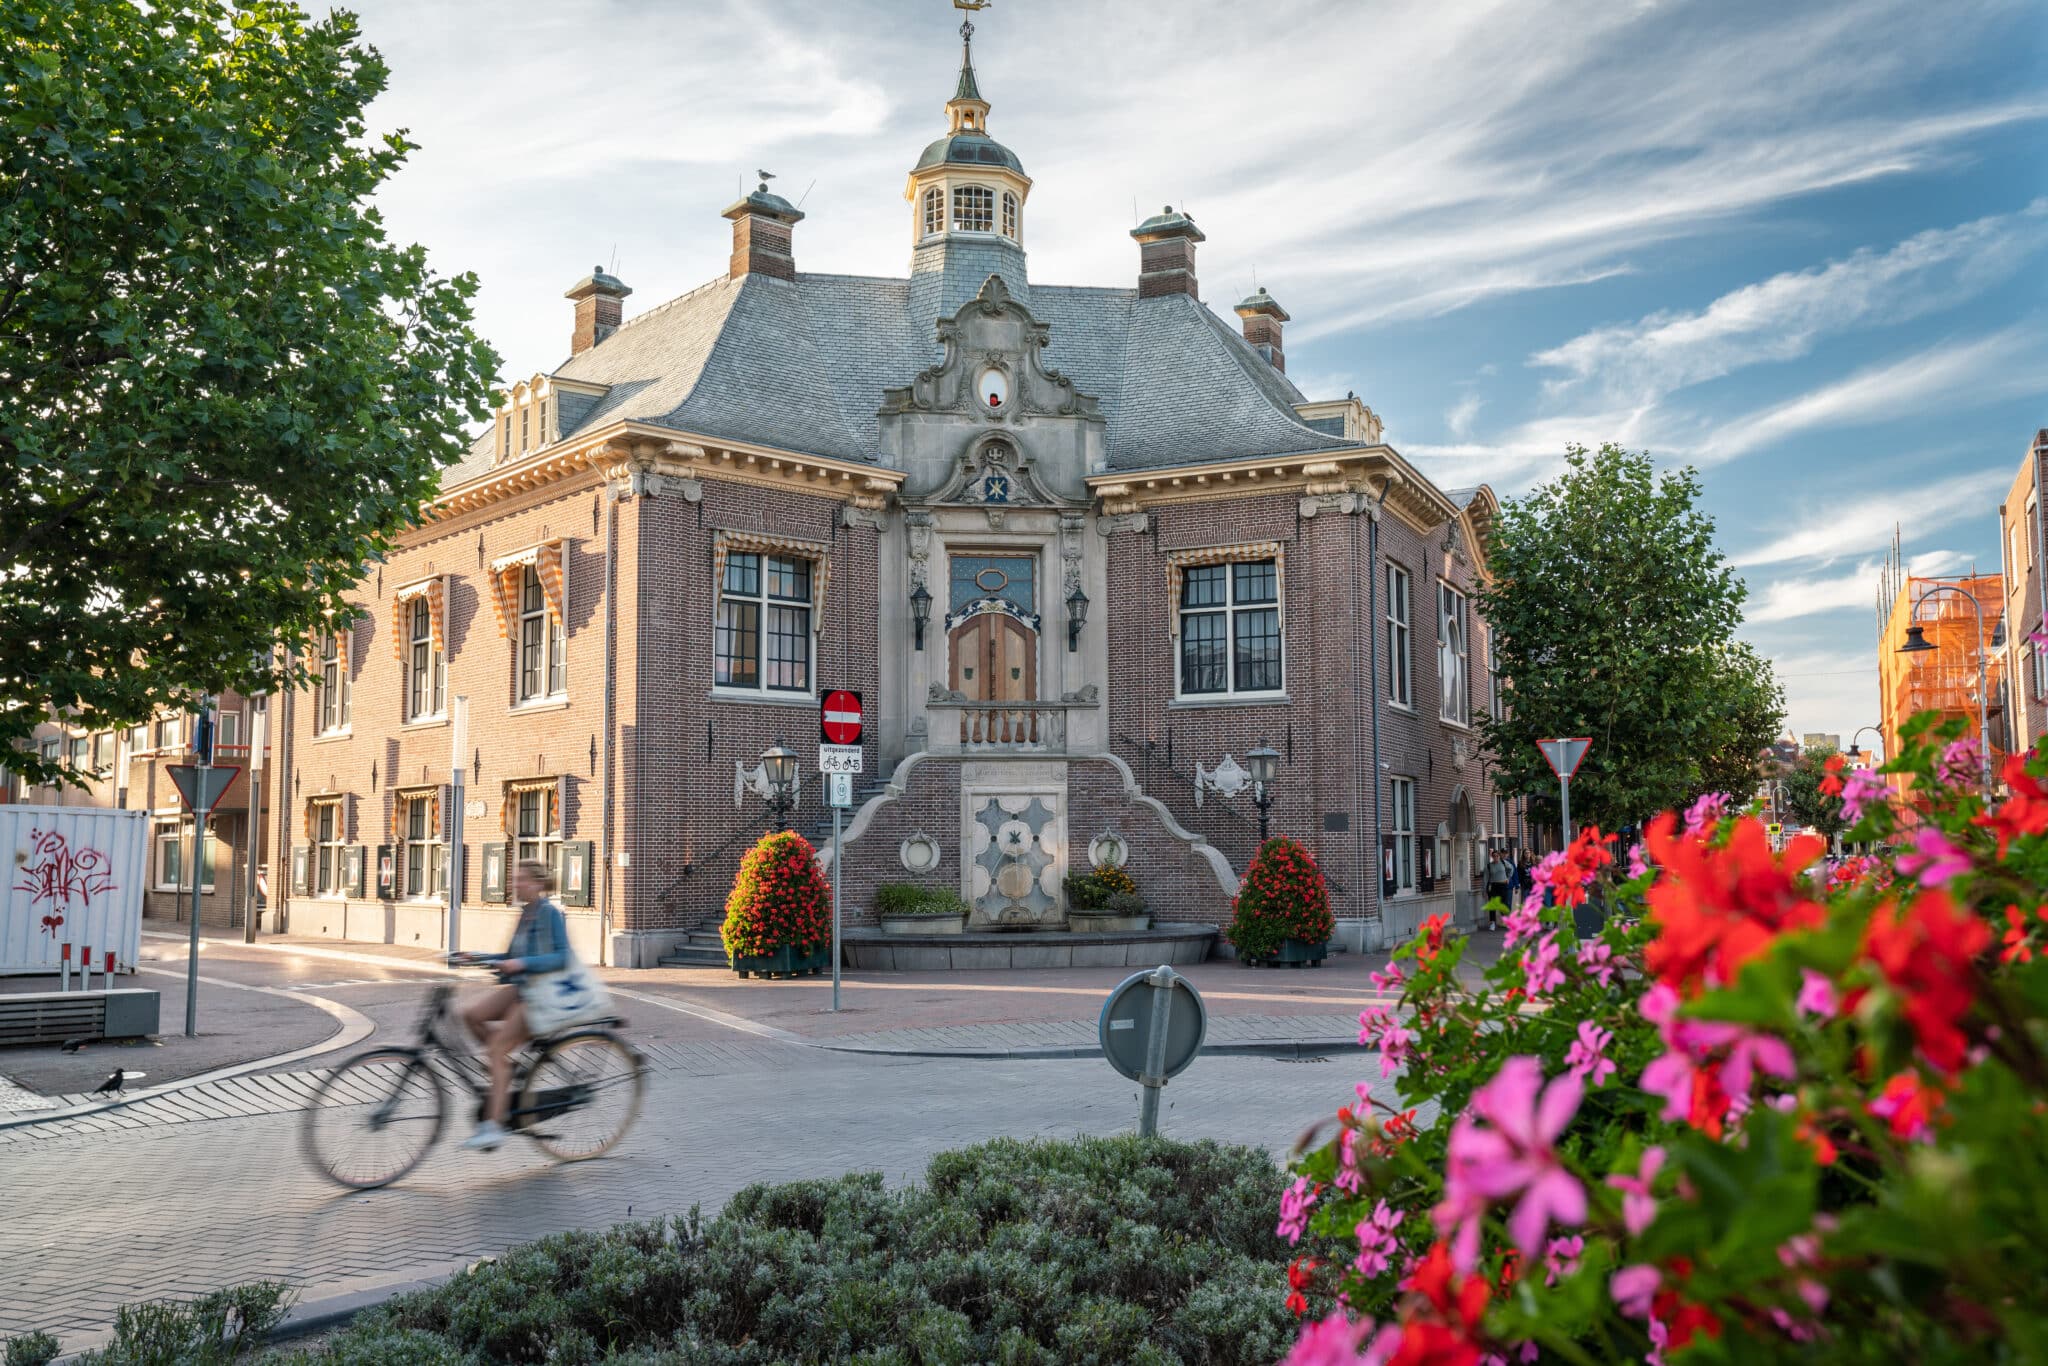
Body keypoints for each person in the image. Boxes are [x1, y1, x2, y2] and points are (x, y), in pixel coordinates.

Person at [454, 859, 569, 1152]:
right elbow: (508, 955)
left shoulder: (550, 914)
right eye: (515, 879)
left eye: (522, 880)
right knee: (471, 1015)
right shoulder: (524, 914)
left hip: (540, 996)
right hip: (520, 988)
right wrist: (476, 956)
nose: (515, 885)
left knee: (495, 1049)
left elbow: (562, 958)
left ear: (538, 884)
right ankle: (505, 1066)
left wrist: (523, 963)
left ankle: (493, 1126)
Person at [1482, 847, 1513, 930]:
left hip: (1503, 886)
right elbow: (1485, 878)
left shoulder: (1504, 863)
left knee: (1503, 904)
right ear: (1492, 857)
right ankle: (1492, 923)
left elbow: (1511, 869)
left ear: (1499, 856)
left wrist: (1508, 878)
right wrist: (1484, 889)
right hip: (1493, 886)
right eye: (1494, 856)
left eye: (1497, 856)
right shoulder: (1489, 866)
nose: (1495, 857)